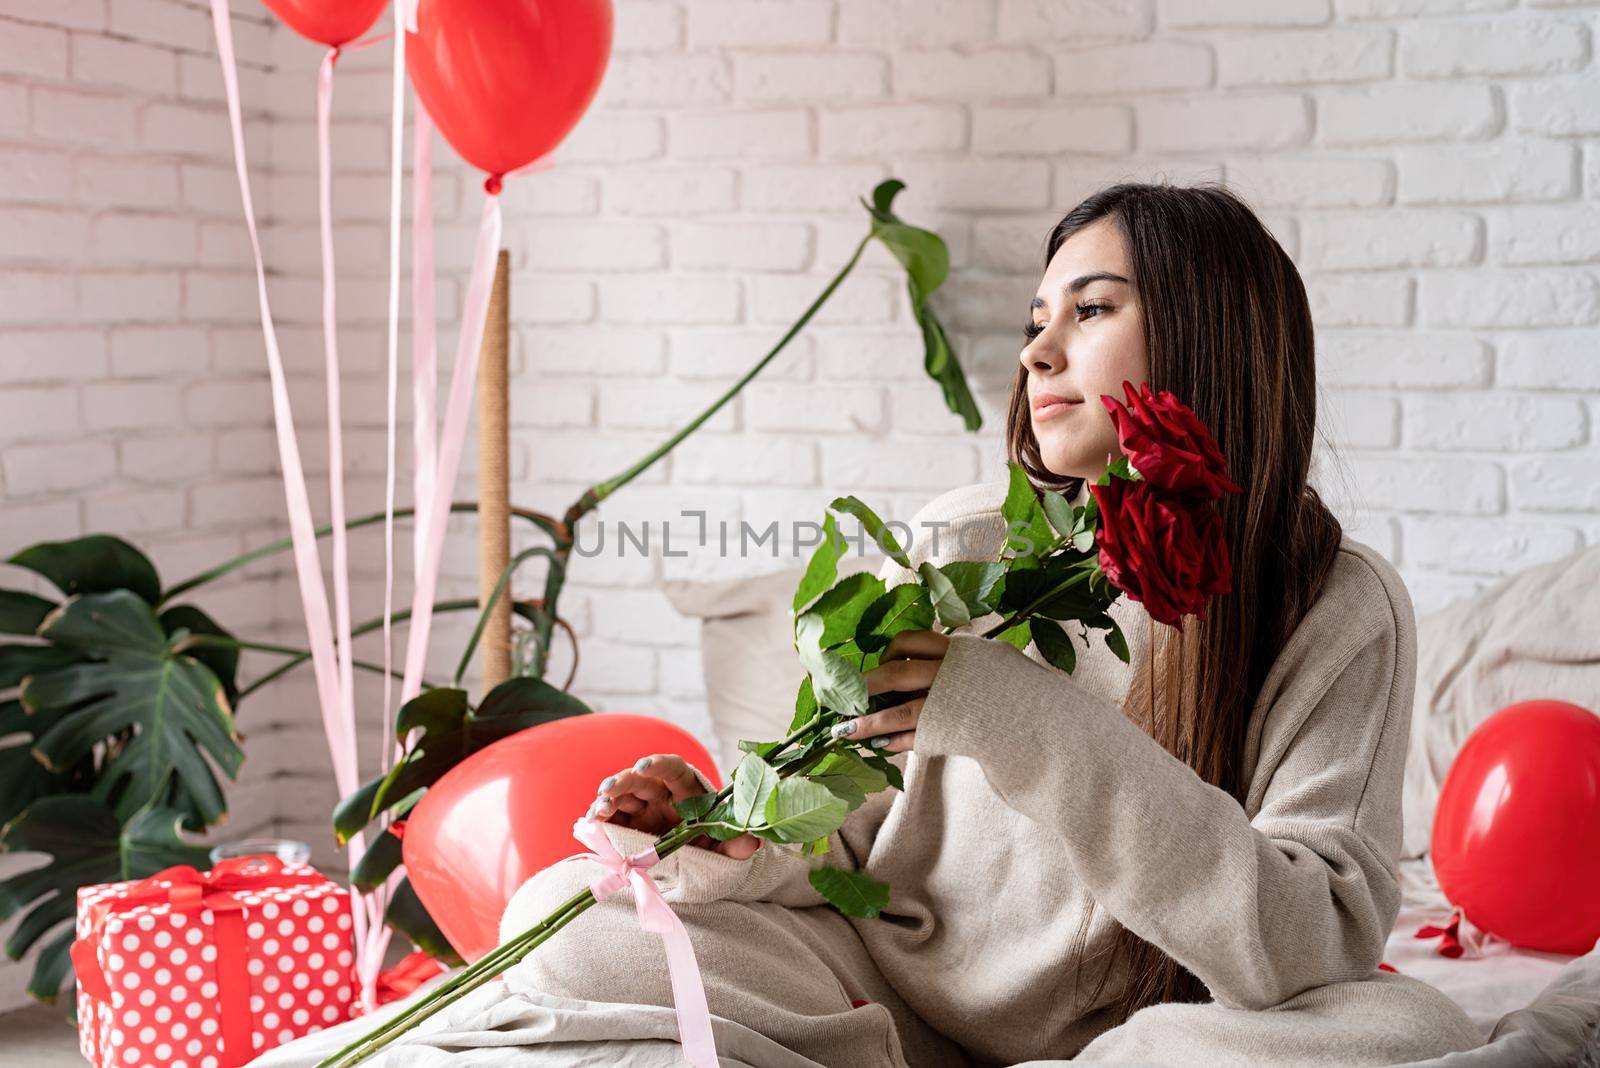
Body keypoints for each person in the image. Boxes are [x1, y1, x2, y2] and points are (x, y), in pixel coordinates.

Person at [501, 182, 1485, 1067]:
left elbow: (1310, 949)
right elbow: (846, 848)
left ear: (1205, 332)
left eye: (1090, 309)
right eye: (1036, 319)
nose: (1036, 352)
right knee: (556, 916)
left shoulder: (1335, 602)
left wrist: (1011, 716)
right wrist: (728, 836)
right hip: (894, 996)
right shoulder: (965, 540)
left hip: (1144, 1035)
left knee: (1403, 1032)